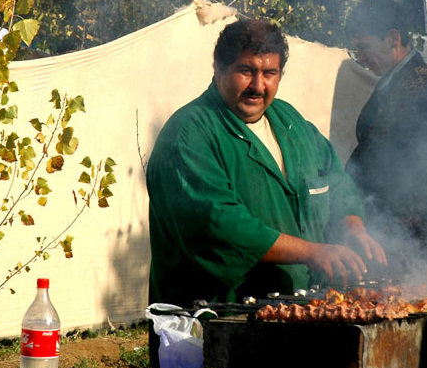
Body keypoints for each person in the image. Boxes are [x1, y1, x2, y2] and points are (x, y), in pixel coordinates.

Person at [147, 18, 387, 310]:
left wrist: (354, 230)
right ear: (219, 69)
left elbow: (336, 183)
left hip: (295, 314)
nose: (258, 86)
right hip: (216, 320)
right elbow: (220, 225)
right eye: (246, 71)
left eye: (269, 73)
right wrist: (313, 253)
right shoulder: (188, 135)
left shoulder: (290, 123)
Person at [345, 0, 427, 268]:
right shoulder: (393, 82)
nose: (361, 59)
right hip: (386, 233)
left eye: (364, 48)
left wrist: (390, 234)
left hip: (419, 246)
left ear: (392, 38)